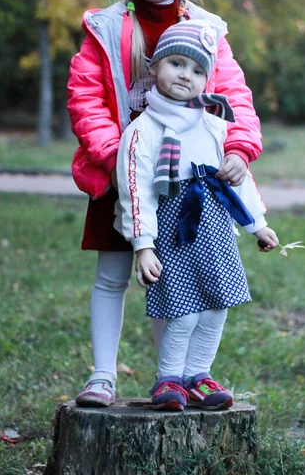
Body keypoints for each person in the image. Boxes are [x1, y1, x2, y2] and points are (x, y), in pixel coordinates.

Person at [67, 0, 263, 408]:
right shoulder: (108, 28)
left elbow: (233, 95)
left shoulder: (206, 31)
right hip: (122, 174)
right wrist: (115, 159)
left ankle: (171, 376)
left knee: (174, 280)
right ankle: (102, 376)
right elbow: (86, 97)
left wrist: (239, 147)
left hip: (186, 183)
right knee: (113, 275)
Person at [114, 20, 278, 411]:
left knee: (216, 308)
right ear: (154, 67)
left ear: (208, 79)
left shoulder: (216, 125)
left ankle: (199, 376)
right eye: (176, 63)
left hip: (215, 230)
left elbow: (237, 183)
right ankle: (169, 378)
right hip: (173, 233)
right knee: (183, 312)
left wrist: (259, 224)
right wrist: (143, 246)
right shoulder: (144, 131)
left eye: (198, 69)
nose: (186, 75)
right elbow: (136, 192)